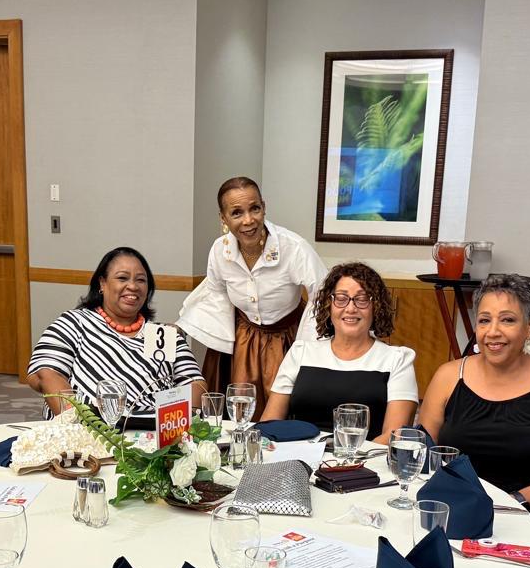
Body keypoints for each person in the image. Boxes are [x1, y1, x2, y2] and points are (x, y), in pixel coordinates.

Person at [415, 274, 530, 525]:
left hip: (527, 512)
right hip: (453, 507)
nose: (493, 332)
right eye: (484, 320)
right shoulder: (448, 376)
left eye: (508, 320)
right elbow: (422, 454)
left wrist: (514, 499)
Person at [178, 177, 327, 416]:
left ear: (264, 207)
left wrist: (306, 348)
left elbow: (322, 294)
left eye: (254, 208)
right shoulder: (219, 250)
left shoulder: (293, 247)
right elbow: (215, 294)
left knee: (281, 414)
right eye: (237, 213)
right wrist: (182, 327)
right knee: (238, 414)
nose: (248, 220)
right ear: (223, 218)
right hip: (242, 342)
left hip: (286, 339)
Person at [27, 246, 206, 417]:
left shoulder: (162, 334)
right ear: (102, 283)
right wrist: (78, 423)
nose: (133, 286)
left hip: (153, 430)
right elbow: (45, 373)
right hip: (89, 427)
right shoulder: (76, 322)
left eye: (141, 280)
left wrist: (177, 425)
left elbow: (195, 383)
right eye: (122, 278)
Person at [261, 262, 418, 443]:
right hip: (297, 456)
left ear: (376, 306)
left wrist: (349, 458)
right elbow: (269, 425)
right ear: (329, 305)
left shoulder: (397, 360)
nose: (350, 308)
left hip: (366, 458)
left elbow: (393, 436)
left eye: (362, 299)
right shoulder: (300, 352)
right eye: (341, 298)